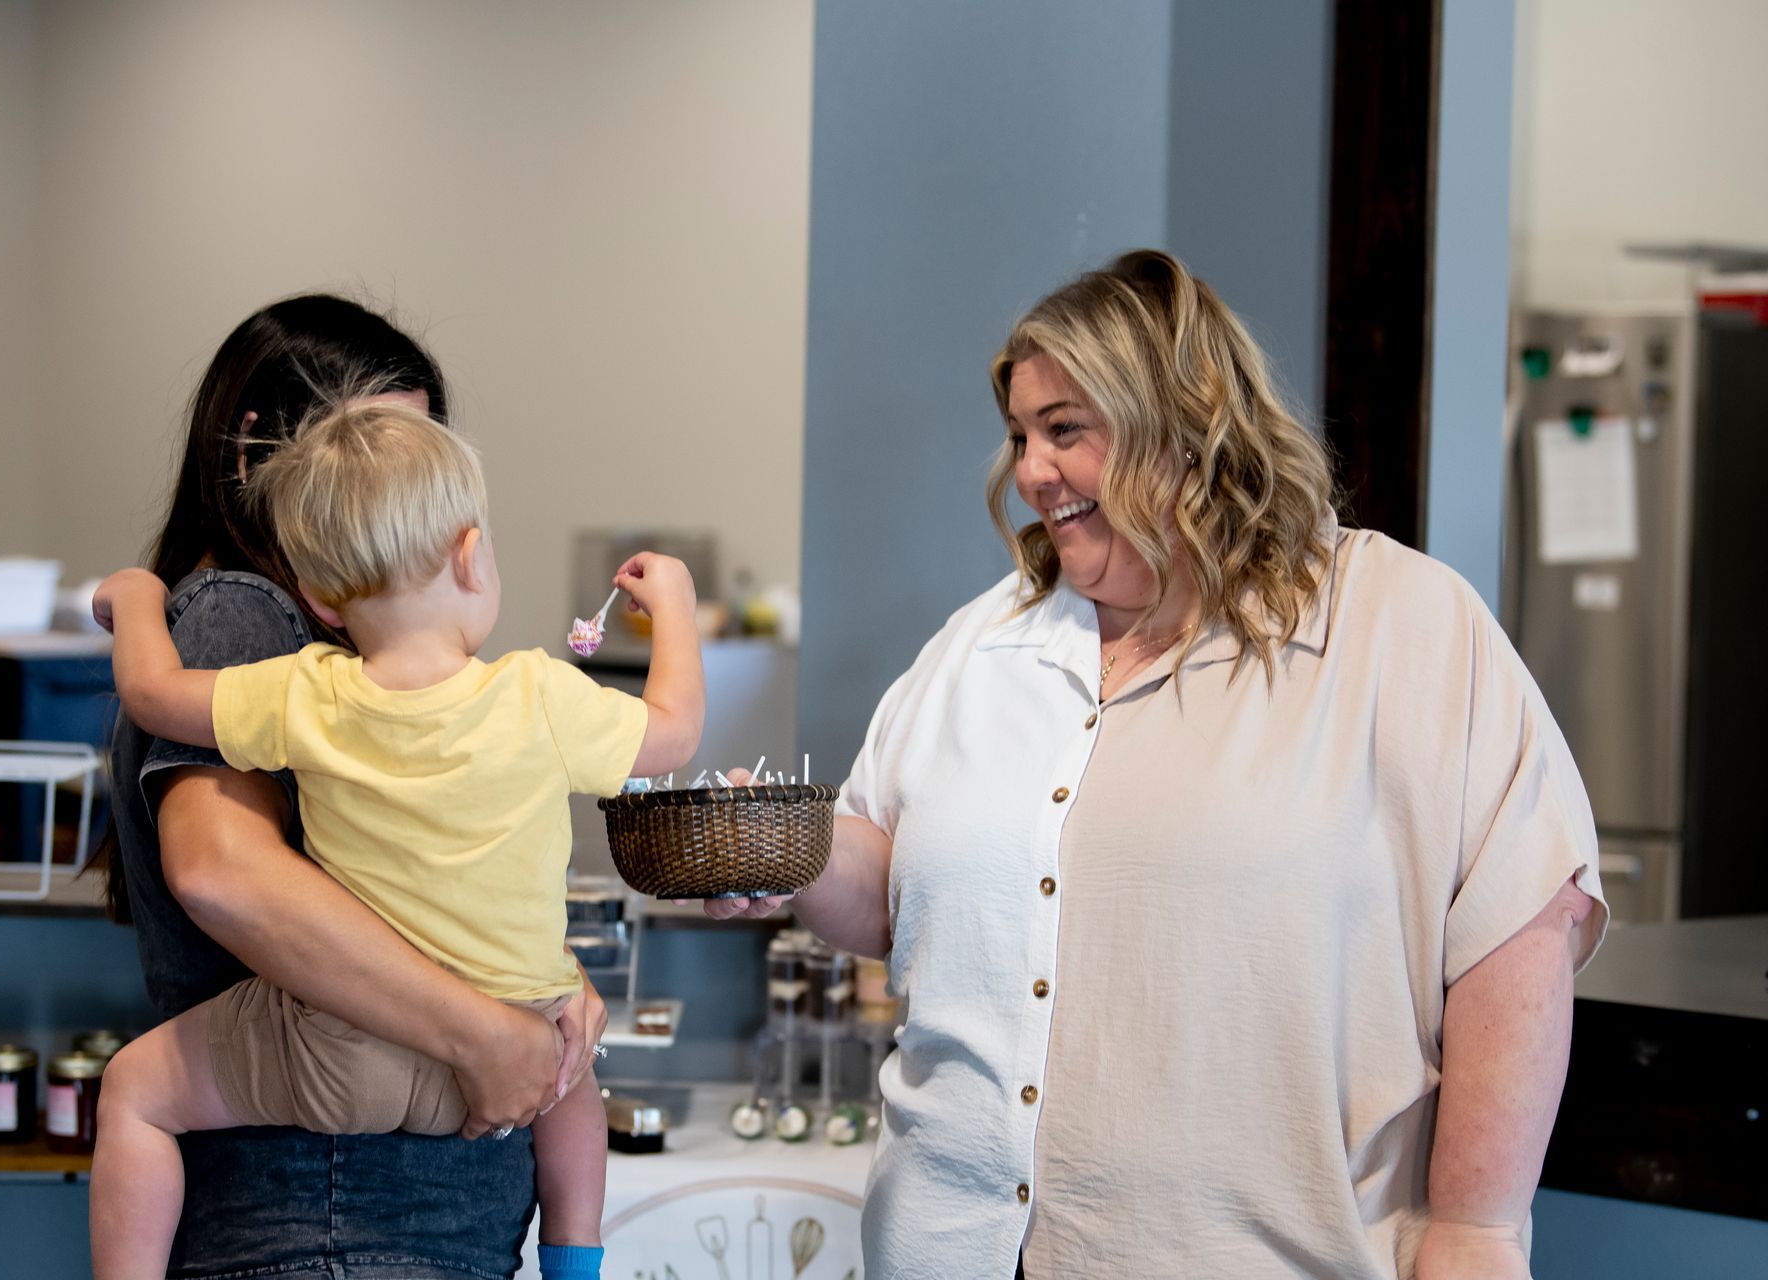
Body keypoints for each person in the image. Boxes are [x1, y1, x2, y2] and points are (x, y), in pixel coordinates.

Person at [710, 250, 1606, 1279]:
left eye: (1065, 430)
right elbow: (892, 889)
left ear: (1182, 420)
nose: (1031, 471)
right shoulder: (981, 643)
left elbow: (1520, 921)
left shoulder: (1396, 623)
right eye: (1020, 436)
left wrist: (1476, 1227)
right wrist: (787, 845)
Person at [90, 397, 703, 1279]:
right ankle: (574, 1266)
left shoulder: (305, 693)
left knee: (135, 1093)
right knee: (573, 1085)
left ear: (318, 599)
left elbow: (153, 696)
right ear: (471, 554)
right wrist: (674, 607)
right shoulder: (538, 698)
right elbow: (674, 731)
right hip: (515, 1038)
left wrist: (140, 596)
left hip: (341, 1055)